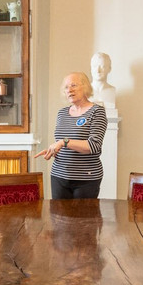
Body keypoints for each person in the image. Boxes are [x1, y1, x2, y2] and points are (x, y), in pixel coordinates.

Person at [35, 71, 108, 199]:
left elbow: (94, 145)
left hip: (86, 178)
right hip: (59, 176)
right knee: (59, 218)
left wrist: (64, 142)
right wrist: (54, 150)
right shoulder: (62, 113)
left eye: (73, 85)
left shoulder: (97, 111)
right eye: (66, 87)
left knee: (82, 219)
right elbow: (62, 143)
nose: (69, 90)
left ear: (85, 87)